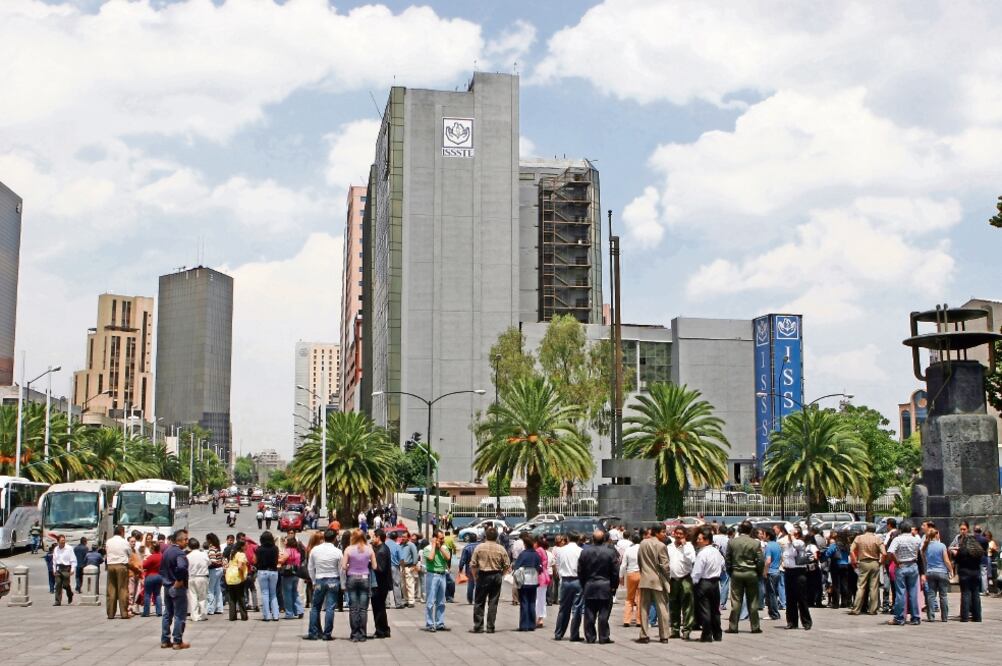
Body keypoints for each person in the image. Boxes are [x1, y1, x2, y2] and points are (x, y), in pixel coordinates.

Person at [578, 529, 617, 644]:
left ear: (592, 539)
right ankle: (604, 636)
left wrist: (583, 583)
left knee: (589, 613)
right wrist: (614, 586)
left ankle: (590, 636)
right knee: (604, 613)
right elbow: (615, 571)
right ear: (604, 539)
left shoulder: (585, 552)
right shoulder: (610, 553)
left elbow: (580, 571)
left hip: (590, 585)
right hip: (605, 585)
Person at [469, 526, 510, 634]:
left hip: (483, 575)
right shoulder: (501, 548)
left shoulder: (479, 547)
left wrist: (475, 576)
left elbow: (473, 564)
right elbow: (507, 565)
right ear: (496, 536)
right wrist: (501, 574)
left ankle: (478, 626)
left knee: (479, 601)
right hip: (496, 575)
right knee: (493, 602)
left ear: (485, 535)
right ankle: (490, 627)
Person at [725, 520, 764, 635]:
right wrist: (758, 572)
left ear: (740, 529)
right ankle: (755, 626)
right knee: (753, 601)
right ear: (751, 530)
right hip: (751, 573)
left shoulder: (732, 542)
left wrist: (730, 571)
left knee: (736, 600)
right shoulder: (755, 543)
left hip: (737, 573)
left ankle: (733, 626)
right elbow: (760, 560)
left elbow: (727, 559)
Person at [304, 528, 343, 641]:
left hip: (320, 579)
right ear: (334, 538)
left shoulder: (315, 550)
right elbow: (341, 570)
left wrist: (314, 581)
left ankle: (313, 632)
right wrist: (342, 583)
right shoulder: (337, 551)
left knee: (315, 607)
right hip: (333, 580)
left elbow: (310, 567)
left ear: (324, 538)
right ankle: (327, 633)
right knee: (330, 608)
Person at [636, 525, 670, 643]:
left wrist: (643, 573)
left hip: (645, 578)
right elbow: (665, 566)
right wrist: (668, 578)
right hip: (657, 580)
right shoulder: (661, 546)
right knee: (662, 607)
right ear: (656, 533)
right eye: (663, 532)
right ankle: (664, 635)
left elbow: (639, 561)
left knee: (644, 607)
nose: (665, 534)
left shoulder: (643, 543)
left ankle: (644, 634)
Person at [885, 520, 922, 626]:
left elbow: (890, 552)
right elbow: (920, 551)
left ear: (900, 529)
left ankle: (899, 617)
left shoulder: (897, 539)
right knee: (913, 592)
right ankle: (915, 617)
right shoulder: (915, 539)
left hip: (901, 565)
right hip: (913, 565)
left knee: (900, 592)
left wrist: (896, 562)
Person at [691, 527, 724, 642]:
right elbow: (723, 564)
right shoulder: (716, 552)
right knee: (715, 610)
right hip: (715, 583)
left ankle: (707, 634)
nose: (698, 541)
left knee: (705, 610)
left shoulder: (702, 553)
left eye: (700, 539)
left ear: (707, 540)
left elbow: (697, 572)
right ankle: (717, 634)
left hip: (704, 583)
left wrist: (694, 583)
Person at [343, 528, 376, 641]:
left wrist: (349, 566)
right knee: (363, 609)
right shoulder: (369, 549)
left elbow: (343, 566)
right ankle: (362, 634)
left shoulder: (348, 549)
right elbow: (375, 566)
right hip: (365, 578)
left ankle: (354, 634)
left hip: (352, 577)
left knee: (353, 608)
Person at [159, 530, 190, 650]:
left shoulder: (166, 552)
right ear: (179, 541)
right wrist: (179, 580)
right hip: (177, 586)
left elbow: (161, 569)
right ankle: (177, 641)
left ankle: (165, 640)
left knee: (167, 613)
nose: (187, 541)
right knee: (179, 614)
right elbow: (182, 567)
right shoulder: (179, 553)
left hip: (167, 585)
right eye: (185, 539)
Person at [552, 531, 584, 642]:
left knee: (563, 608)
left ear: (568, 539)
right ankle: (574, 634)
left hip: (565, 581)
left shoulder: (561, 551)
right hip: (577, 580)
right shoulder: (581, 551)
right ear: (578, 539)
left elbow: (558, 565)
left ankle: (558, 633)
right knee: (577, 609)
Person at [666, 526, 696, 639]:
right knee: (673, 606)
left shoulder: (689, 547)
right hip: (673, 579)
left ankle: (687, 630)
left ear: (685, 536)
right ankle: (675, 629)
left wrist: (684, 547)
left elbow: (692, 560)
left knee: (688, 606)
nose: (678, 536)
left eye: (681, 534)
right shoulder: (669, 547)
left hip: (685, 579)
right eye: (676, 533)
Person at [849, 523, 884, 615]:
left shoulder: (859, 538)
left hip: (863, 562)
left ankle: (856, 609)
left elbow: (851, 550)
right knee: (874, 587)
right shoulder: (878, 539)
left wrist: (854, 561)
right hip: (875, 562)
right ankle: (873, 610)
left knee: (861, 586)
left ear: (866, 529)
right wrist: (880, 562)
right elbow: (884, 553)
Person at [953, 525, 985, 622]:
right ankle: (977, 616)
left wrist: (955, 554)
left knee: (965, 594)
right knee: (976, 594)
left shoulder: (962, 550)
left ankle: (965, 616)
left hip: (964, 574)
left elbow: (957, 561)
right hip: (975, 573)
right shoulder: (978, 551)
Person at [422, 529, 452, 632]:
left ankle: (440, 623)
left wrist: (440, 548)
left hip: (442, 575)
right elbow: (430, 558)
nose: (443, 540)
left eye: (443, 538)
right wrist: (434, 546)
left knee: (441, 601)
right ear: (435, 538)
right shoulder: (427, 548)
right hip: (432, 575)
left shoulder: (444, 547)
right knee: (430, 601)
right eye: (441, 538)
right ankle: (430, 624)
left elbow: (448, 557)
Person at [782, 526, 811, 630]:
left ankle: (806, 622)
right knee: (790, 598)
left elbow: (797, 545)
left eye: (792, 533)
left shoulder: (800, 543)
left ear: (797, 534)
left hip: (798, 572)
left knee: (801, 598)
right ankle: (792, 622)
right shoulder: (788, 545)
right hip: (788, 572)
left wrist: (793, 536)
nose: (789, 535)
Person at [513, 532, 543, 631]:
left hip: (524, 581)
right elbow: (540, 568)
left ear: (525, 544)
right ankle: (531, 624)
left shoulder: (523, 554)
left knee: (524, 602)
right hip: (534, 581)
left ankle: (524, 625)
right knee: (532, 602)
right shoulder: (536, 555)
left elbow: (516, 567)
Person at [921, 527, 952, 622]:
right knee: (943, 595)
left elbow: (924, 560)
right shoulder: (942, 546)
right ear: (936, 535)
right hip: (942, 572)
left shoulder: (925, 547)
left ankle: (931, 616)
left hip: (930, 572)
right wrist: (951, 570)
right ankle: (944, 617)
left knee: (931, 595)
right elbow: (946, 560)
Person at [105, 525, 133, 620]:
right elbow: (130, 553)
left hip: (111, 565)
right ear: (122, 531)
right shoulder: (124, 541)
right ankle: (124, 613)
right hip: (121, 565)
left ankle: (111, 613)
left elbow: (107, 552)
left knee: (111, 589)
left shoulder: (109, 541)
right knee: (122, 589)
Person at [371, 529, 393, 638]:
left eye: (373, 537)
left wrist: (372, 564)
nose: (372, 539)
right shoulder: (383, 548)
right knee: (380, 608)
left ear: (378, 537)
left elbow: (381, 569)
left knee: (378, 608)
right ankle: (384, 629)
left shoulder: (381, 551)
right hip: (381, 584)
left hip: (379, 585)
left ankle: (381, 630)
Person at [255, 531, 280, 621]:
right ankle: (276, 615)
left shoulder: (259, 549)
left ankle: (267, 615)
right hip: (273, 571)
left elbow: (256, 561)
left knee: (265, 593)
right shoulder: (275, 548)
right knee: (273, 594)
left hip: (262, 571)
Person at [619, 533, 641, 627]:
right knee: (640, 598)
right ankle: (639, 620)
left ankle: (627, 620)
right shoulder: (642, 549)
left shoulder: (628, 549)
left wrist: (621, 576)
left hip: (631, 574)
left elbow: (623, 565)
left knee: (629, 598)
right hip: (641, 573)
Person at [278, 535, 303, 620]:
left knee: (287, 594)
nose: (284, 542)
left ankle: (289, 613)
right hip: (296, 573)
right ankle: (299, 610)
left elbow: (282, 560)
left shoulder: (288, 551)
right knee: (295, 592)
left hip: (287, 574)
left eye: (285, 541)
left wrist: (277, 558)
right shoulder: (297, 551)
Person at [224, 541, 250, 621]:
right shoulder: (241, 554)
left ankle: (232, 616)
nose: (246, 547)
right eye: (245, 545)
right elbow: (239, 566)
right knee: (240, 596)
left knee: (232, 597)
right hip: (237, 577)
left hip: (229, 576)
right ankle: (244, 616)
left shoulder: (233, 553)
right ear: (241, 547)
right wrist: (244, 572)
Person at [187, 537, 210, 622]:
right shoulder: (203, 554)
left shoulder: (188, 556)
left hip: (192, 577)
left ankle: (194, 615)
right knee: (202, 596)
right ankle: (202, 614)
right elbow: (209, 563)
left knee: (193, 596)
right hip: (202, 576)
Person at [762, 531, 782, 621]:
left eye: (764, 534)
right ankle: (773, 613)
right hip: (777, 571)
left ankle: (774, 613)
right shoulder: (777, 545)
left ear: (768, 536)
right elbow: (781, 558)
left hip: (771, 572)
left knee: (771, 594)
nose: (763, 536)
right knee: (774, 593)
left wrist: (765, 571)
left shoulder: (768, 546)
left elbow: (768, 560)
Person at [51, 535, 76, 606]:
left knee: (65, 585)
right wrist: (54, 569)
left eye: (64, 540)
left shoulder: (69, 548)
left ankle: (70, 594)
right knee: (58, 584)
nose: (63, 542)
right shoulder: (56, 549)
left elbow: (73, 559)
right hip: (59, 568)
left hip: (66, 568)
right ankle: (57, 601)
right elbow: (54, 560)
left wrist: (72, 569)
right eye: (62, 541)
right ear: (58, 541)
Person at [205, 533, 225, 615]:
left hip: (214, 570)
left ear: (209, 540)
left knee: (210, 590)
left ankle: (210, 609)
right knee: (218, 589)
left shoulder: (212, 548)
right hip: (220, 569)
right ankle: (219, 608)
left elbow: (212, 561)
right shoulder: (218, 547)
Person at [534, 535, 551, 628]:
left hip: (539, 576)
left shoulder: (538, 551)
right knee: (541, 598)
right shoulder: (543, 550)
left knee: (538, 598)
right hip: (544, 576)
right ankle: (540, 618)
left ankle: (538, 618)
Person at [142, 543, 163, 617]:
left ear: (153, 549)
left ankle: (146, 612)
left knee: (147, 594)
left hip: (150, 576)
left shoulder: (151, 557)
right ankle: (159, 611)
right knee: (157, 594)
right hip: (159, 576)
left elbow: (144, 565)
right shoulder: (162, 556)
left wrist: (144, 560)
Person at [458, 534, 479, 605]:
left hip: (469, 568)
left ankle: (470, 600)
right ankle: (477, 598)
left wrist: (460, 569)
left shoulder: (466, 548)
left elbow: (463, 560)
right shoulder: (480, 546)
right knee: (478, 584)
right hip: (480, 568)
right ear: (476, 539)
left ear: (469, 539)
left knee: (471, 584)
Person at [400, 531, 419, 608]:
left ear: (408, 537)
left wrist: (414, 565)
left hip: (409, 566)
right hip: (402, 567)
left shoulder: (411, 545)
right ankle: (406, 600)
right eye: (402, 536)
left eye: (404, 536)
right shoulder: (401, 545)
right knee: (403, 585)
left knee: (410, 584)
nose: (403, 538)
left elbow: (415, 555)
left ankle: (411, 601)